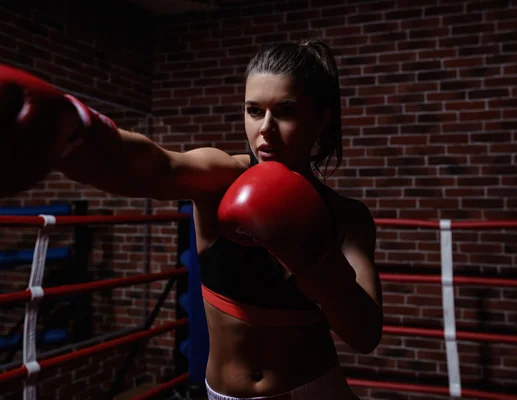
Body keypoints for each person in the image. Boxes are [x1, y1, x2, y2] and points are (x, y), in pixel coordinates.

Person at [0, 39, 383, 399]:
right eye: (254, 110)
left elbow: (365, 334)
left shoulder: (347, 216)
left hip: (316, 391)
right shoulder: (221, 176)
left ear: (320, 119)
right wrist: (71, 132)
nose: (264, 129)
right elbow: (155, 166)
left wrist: (319, 265)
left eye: (285, 111)